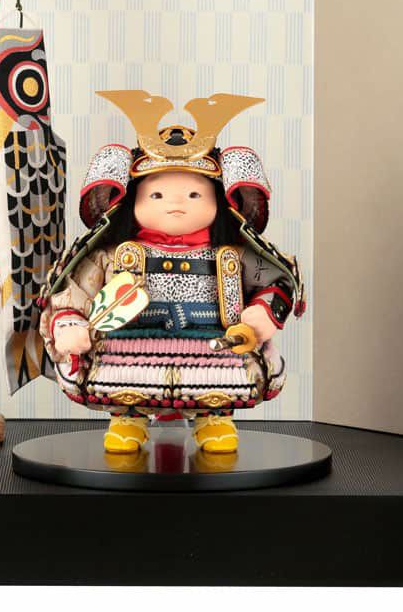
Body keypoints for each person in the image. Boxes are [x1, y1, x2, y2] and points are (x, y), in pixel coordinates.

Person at [38, 90, 305, 453]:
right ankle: (128, 418)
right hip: (125, 348)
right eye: (157, 195)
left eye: (194, 195)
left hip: (215, 349)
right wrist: (69, 323)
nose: (176, 203)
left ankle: (213, 419)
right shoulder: (112, 256)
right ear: (132, 200)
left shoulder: (233, 256)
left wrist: (264, 311)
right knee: (124, 388)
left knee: (218, 389)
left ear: (220, 200)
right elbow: (73, 293)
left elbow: (279, 282)